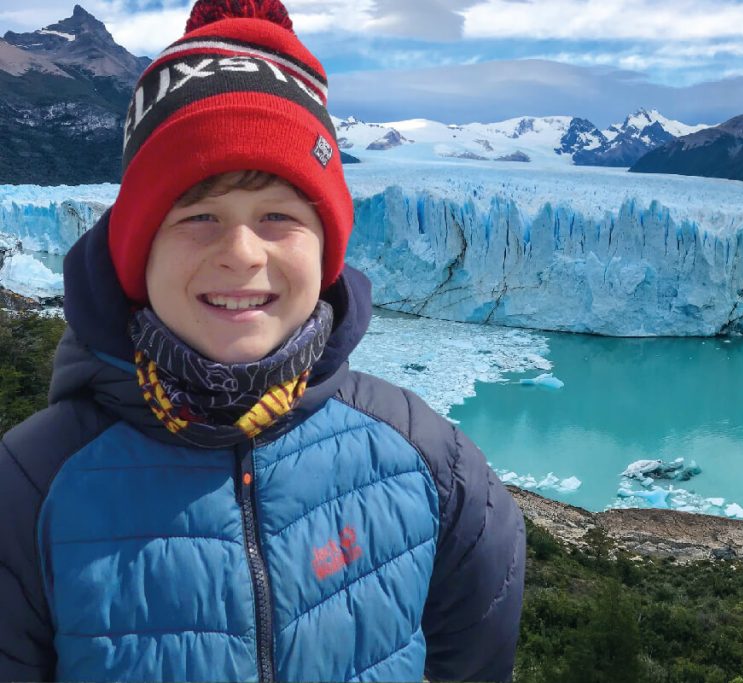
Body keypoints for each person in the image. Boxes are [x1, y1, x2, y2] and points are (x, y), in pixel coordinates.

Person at [0, 0, 525, 680]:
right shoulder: (29, 490)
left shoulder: (435, 466)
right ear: (135, 253)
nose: (241, 251)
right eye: (198, 214)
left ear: (328, 245)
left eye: (278, 214)